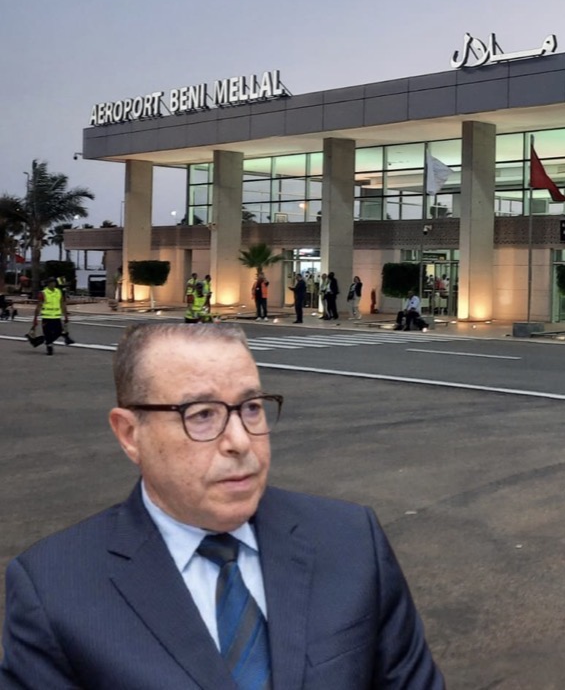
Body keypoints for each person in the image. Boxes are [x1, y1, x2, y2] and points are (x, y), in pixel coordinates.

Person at [0, 323, 446, 689]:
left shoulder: (350, 540)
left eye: (251, 408)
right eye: (202, 415)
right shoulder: (55, 590)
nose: (240, 441)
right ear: (130, 434)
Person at [28, 278, 68, 356]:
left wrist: (66, 315)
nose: (53, 284)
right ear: (48, 284)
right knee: (48, 333)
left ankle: (45, 341)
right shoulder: (43, 293)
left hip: (56, 316)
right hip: (47, 317)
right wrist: (35, 318)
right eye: (51, 283)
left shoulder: (58, 292)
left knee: (59, 332)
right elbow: (39, 306)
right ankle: (49, 346)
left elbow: (62, 304)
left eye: (54, 282)